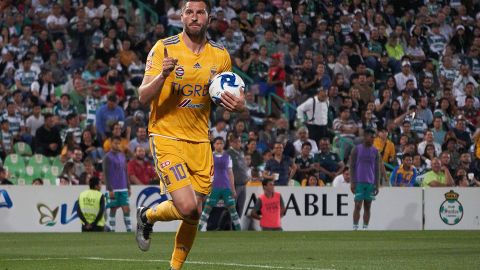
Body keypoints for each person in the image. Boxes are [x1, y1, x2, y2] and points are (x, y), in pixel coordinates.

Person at [134, 2, 245, 270]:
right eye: (189, 12)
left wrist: (240, 105)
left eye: (200, 12)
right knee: (185, 206)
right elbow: (142, 97)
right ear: (181, 17)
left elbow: (232, 98)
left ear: (208, 18)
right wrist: (163, 75)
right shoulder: (164, 48)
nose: (194, 17)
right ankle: (147, 216)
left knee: (194, 213)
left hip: (199, 141)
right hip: (166, 135)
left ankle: (174, 265)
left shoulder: (220, 56)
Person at [198, 137, 241, 231]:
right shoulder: (209, 156)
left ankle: (239, 230)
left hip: (226, 187)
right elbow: (206, 173)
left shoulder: (228, 156)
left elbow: (230, 173)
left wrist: (233, 189)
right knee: (207, 210)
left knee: (233, 210)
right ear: (214, 145)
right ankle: (198, 230)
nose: (219, 145)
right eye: (217, 143)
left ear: (223, 144)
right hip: (214, 187)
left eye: (221, 143)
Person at [349, 129, 381, 230]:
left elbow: (377, 169)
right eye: (371, 137)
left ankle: (365, 228)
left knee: (368, 206)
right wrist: (352, 182)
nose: (373, 139)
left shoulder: (375, 151)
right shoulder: (356, 149)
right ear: (366, 136)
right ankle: (355, 227)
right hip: (358, 182)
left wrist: (377, 184)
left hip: (370, 182)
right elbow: (352, 167)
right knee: (357, 205)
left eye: (374, 137)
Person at [104, 136, 131, 232]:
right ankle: (112, 230)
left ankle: (129, 229)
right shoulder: (107, 157)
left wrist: (128, 186)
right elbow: (106, 174)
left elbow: (125, 171)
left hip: (123, 187)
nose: (117, 145)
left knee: (126, 209)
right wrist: (109, 189)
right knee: (113, 209)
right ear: (111, 144)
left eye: (119, 143)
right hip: (113, 188)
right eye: (115, 143)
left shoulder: (122, 155)